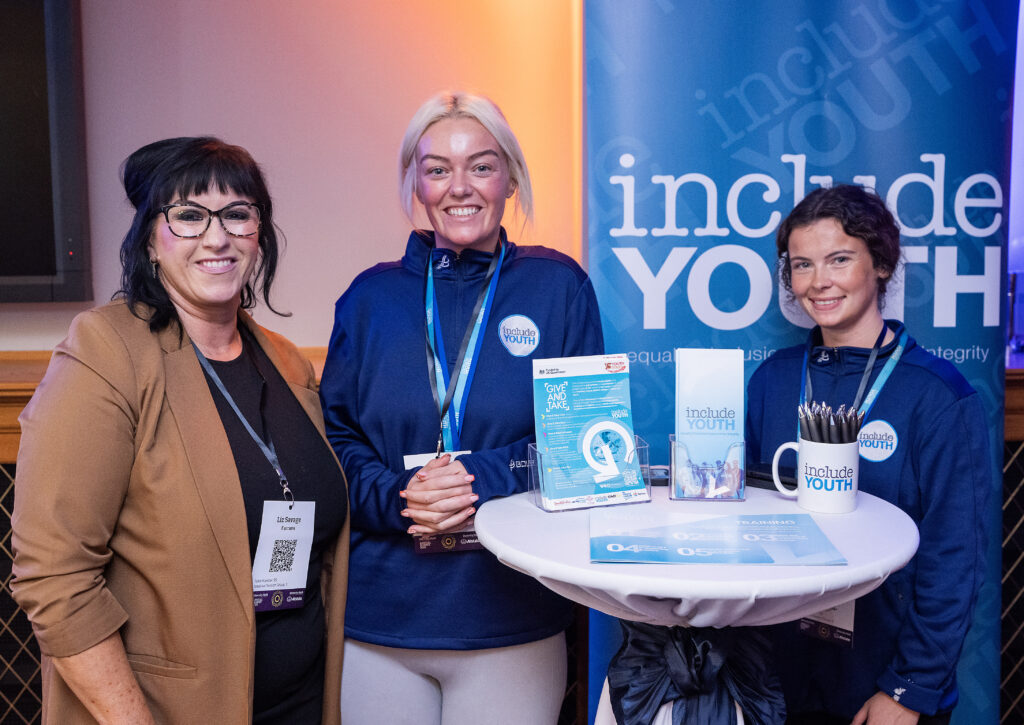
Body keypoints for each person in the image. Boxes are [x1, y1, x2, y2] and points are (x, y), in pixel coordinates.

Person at [11, 137, 349, 724]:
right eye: (189, 216)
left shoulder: (288, 364)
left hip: (301, 703)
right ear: (150, 239)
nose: (216, 238)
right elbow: (55, 578)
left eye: (236, 214)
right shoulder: (106, 353)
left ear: (259, 233)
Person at [319, 91, 604, 724]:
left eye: (481, 165)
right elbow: (336, 441)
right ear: (417, 184)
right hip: (380, 619)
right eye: (437, 169)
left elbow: (589, 444)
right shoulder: (368, 298)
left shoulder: (558, 287)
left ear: (510, 178)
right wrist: (400, 496)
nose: (459, 187)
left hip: (510, 614)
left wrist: (476, 479)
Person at [746, 184, 990, 725]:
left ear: (880, 264)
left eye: (839, 259)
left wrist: (910, 689)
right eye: (802, 265)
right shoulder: (772, 382)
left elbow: (955, 559)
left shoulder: (937, 395)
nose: (819, 281)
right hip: (778, 681)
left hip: (881, 685)